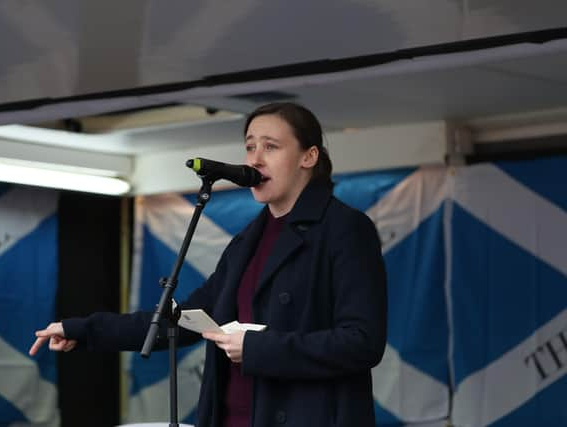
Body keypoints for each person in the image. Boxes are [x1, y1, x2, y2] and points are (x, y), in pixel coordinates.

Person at [30, 102, 387, 427]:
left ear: (308, 157)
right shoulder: (248, 241)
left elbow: (362, 342)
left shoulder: (345, 229)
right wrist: (83, 329)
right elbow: (182, 321)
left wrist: (257, 348)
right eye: (250, 146)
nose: (255, 159)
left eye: (271, 147)